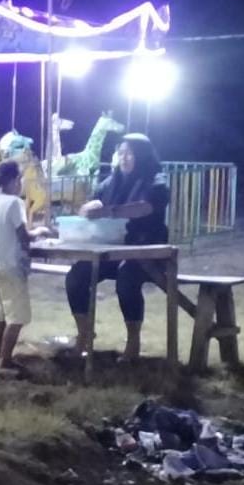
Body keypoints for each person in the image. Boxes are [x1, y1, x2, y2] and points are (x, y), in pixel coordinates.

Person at [65, 133, 170, 361]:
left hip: (147, 251)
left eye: (129, 153)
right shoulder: (113, 180)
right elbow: (98, 200)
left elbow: (145, 207)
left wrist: (109, 211)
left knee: (127, 278)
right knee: (76, 275)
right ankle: (85, 333)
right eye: (120, 153)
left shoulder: (156, 180)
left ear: (142, 155)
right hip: (113, 250)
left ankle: (133, 341)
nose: (124, 158)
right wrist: (89, 207)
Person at [0, 160, 50, 373]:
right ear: (13, 181)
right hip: (11, 266)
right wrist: (40, 232)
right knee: (17, 317)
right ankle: (5, 361)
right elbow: (23, 236)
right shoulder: (14, 203)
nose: (21, 183)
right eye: (20, 179)